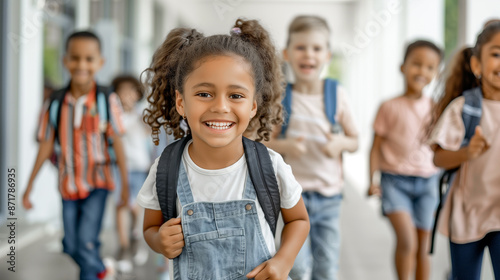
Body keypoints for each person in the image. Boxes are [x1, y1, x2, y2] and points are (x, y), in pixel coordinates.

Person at [137, 18, 310, 280]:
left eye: (236, 96)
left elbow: (299, 220)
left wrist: (283, 262)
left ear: (253, 106)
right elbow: (150, 226)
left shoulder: (269, 165)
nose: (220, 107)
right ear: (181, 102)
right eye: (204, 94)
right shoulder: (166, 168)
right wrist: (159, 241)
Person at [22, 31, 129, 280]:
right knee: (70, 245)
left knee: (85, 242)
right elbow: (46, 145)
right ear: (65, 61)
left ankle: (94, 271)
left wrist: (124, 185)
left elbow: (118, 144)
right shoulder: (55, 103)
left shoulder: (107, 99)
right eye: (75, 58)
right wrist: (28, 186)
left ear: (99, 62)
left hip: (98, 183)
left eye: (89, 59)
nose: (82, 65)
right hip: (67, 184)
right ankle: (101, 269)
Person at [265, 15, 359, 280]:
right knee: (297, 266)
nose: (309, 54)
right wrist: (286, 146)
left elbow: (355, 140)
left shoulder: (336, 94)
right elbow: (264, 141)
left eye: (316, 48)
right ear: (287, 54)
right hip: (292, 198)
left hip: (329, 197)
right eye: (301, 47)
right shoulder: (282, 98)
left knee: (326, 267)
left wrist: (339, 143)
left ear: (327, 54)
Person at [428, 22, 500, 280]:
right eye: (496, 54)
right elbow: (438, 157)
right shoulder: (464, 108)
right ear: (476, 65)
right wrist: (466, 152)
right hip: (467, 212)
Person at [367, 40, 443, 280]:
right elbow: (375, 148)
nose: (422, 71)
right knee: (407, 240)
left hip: (428, 184)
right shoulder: (389, 106)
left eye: (430, 67)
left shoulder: (437, 109)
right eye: (416, 64)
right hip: (394, 182)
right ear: (403, 67)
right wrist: (372, 180)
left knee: (423, 246)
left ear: (436, 73)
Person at [111, 75, 151, 267]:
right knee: (121, 203)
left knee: (135, 206)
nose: (126, 95)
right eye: (122, 91)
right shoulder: (114, 116)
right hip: (119, 168)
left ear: (137, 94)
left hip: (140, 167)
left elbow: (149, 129)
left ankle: (135, 234)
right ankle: (124, 245)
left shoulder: (141, 115)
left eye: (130, 91)